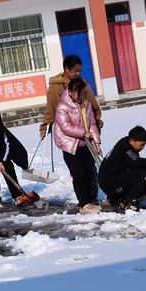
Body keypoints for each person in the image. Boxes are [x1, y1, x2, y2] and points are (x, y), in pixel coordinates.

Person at [53, 77, 102, 215]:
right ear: (70, 92)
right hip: (69, 144)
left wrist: (96, 143)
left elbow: (92, 124)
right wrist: (83, 133)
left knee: (91, 171)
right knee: (78, 174)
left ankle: (93, 199)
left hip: (85, 143)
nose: (81, 96)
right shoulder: (63, 106)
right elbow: (65, 127)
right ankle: (84, 204)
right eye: (78, 93)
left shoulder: (87, 104)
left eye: (83, 93)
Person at [40, 55, 103, 140]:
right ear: (66, 69)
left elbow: (93, 105)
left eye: (80, 71)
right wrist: (45, 126)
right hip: (66, 135)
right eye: (76, 71)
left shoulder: (83, 84)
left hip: (85, 132)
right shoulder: (54, 88)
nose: (78, 74)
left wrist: (97, 121)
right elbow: (50, 109)